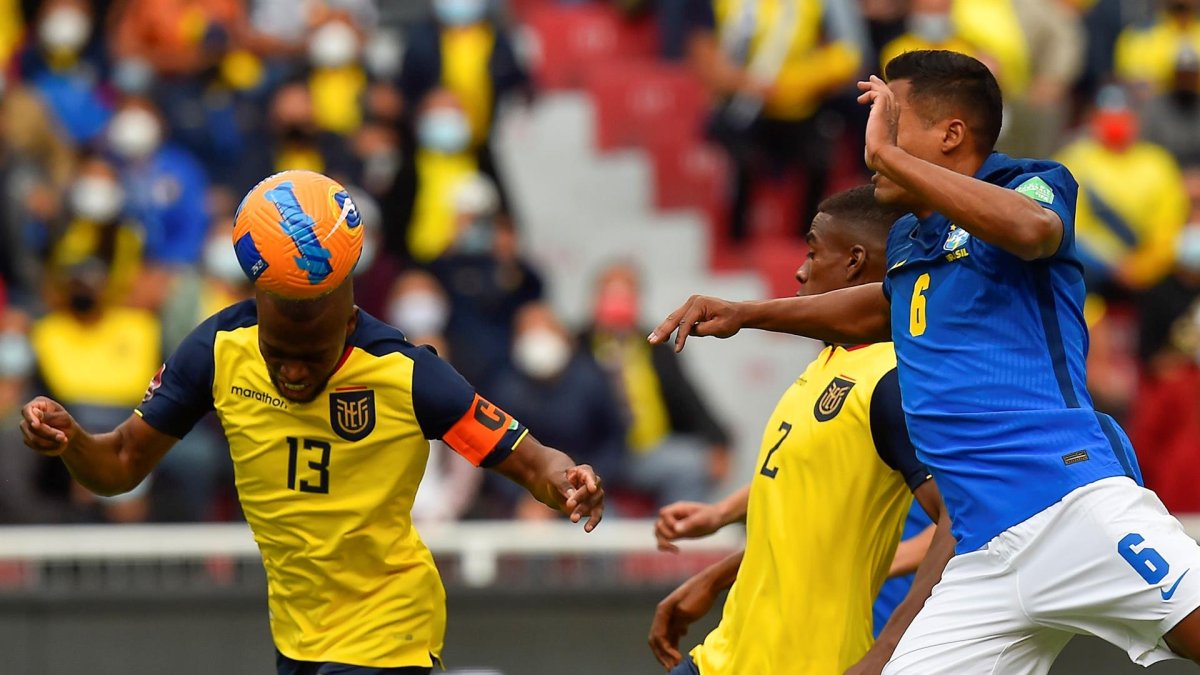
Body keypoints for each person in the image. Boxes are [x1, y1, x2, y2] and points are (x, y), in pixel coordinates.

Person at [649, 50, 1200, 673]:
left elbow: (1034, 231)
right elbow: (877, 307)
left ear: (951, 134)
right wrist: (749, 313)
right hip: (982, 556)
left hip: (1068, 503)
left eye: (891, 118)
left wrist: (888, 157)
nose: (871, 139)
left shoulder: (1032, 183)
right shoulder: (914, 240)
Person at [20, 171, 604, 674]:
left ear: (348, 324)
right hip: (296, 636)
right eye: (278, 354)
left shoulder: (408, 375)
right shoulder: (218, 349)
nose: (293, 373)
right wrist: (71, 440)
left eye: (312, 357)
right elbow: (121, 463)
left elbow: (531, 462)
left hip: (389, 633)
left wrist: (569, 479)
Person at [647, 187, 951, 675]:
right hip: (721, 658)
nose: (799, 269)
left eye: (812, 251)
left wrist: (884, 655)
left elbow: (959, 519)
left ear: (854, 261)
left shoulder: (893, 382)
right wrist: (719, 575)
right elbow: (802, 516)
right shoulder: (828, 362)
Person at [582, 261, 731, 507]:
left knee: (693, 464)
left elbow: (687, 397)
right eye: (611, 294)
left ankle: (672, 538)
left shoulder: (655, 346)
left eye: (626, 293)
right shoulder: (577, 347)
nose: (618, 301)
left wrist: (718, 441)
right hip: (594, 455)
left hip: (648, 451)